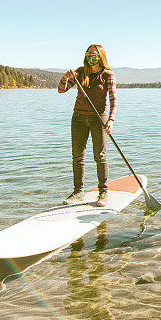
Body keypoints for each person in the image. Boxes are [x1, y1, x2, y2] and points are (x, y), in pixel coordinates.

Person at [57, 45, 117, 207]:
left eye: (94, 54)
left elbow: (113, 100)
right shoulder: (80, 72)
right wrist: (65, 77)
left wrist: (110, 120)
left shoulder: (107, 75)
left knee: (100, 156)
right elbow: (61, 90)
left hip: (99, 118)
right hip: (78, 118)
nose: (91, 56)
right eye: (88, 54)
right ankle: (78, 192)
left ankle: (103, 192)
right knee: (77, 156)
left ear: (101, 56)